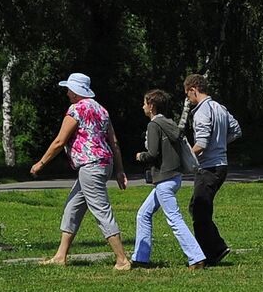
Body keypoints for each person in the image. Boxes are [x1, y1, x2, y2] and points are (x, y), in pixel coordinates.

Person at [30, 72, 131, 270]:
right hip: (103, 163)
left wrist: (41, 164)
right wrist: (119, 170)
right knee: (72, 207)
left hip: (90, 166)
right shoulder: (101, 110)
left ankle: (122, 259)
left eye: (68, 89)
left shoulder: (76, 109)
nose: (67, 93)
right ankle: (60, 256)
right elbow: (114, 142)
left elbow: (60, 141)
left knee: (101, 210)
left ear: (76, 92)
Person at [133, 88, 206, 270]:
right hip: (174, 177)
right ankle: (140, 258)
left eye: (144, 103)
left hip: (164, 180)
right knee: (144, 213)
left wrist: (140, 156)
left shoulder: (154, 125)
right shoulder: (170, 123)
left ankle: (196, 258)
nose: (142, 106)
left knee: (174, 218)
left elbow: (152, 153)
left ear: (151, 106)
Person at [184, 73, 241, 265]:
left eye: (188, 95)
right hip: (221, 164)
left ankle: (213, 251)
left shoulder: (201, 111)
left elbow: (201, 143)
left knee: (199, 210)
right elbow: (236, 130)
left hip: (208, 166)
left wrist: (185, 159)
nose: (188, 99)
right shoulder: (220, 107)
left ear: (193, 90)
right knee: (198, 207)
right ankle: (214, 248)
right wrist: (220, 144)